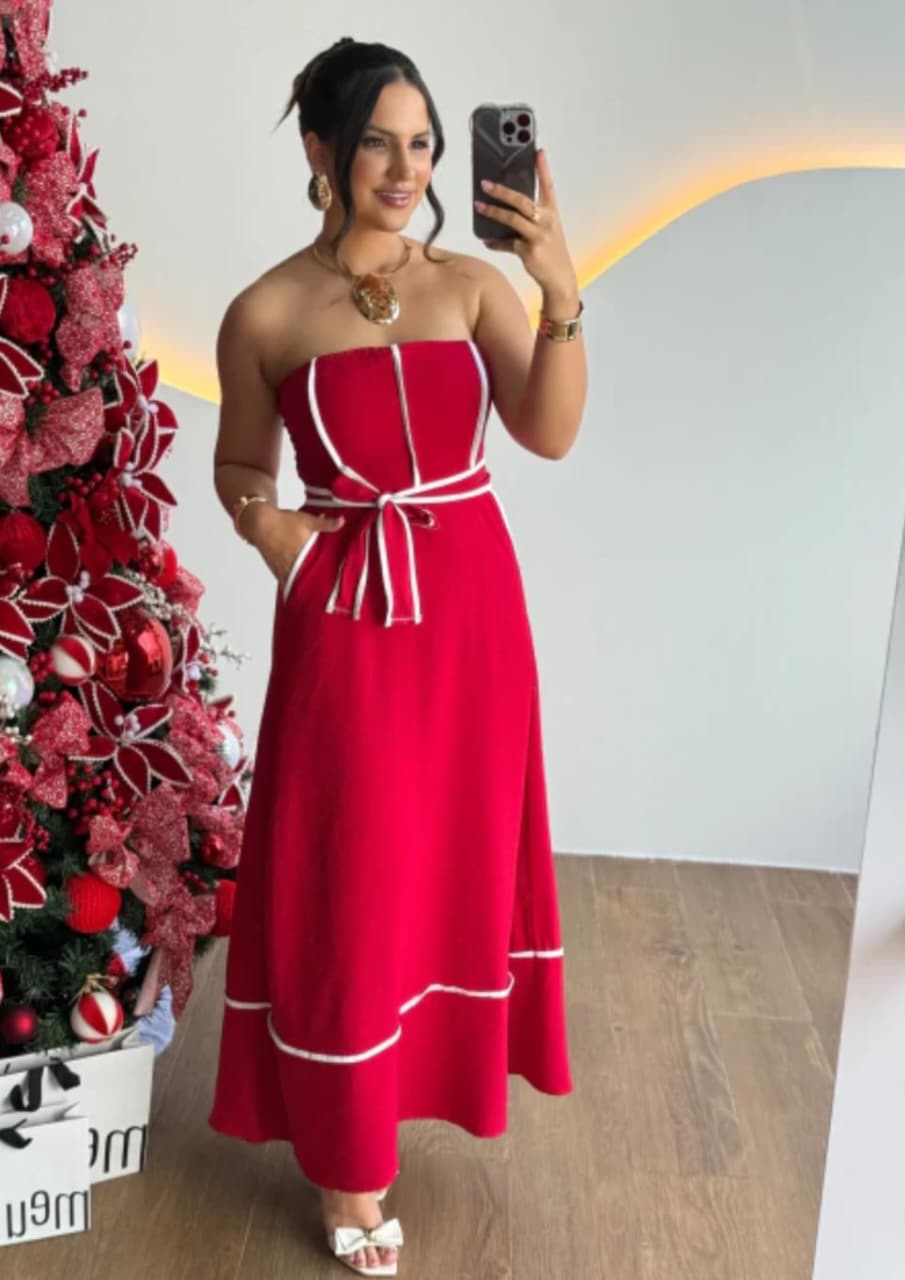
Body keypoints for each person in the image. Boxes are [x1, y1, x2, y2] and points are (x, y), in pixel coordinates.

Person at [207, 36, 587, 1278]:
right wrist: (279, 537)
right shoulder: (266, 310)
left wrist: (557, 288)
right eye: (377, 139)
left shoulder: (471, 287)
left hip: (472, 611)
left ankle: (416, 1092)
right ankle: (347, 1163)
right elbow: (239, 463)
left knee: (450, 861)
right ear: (321, 149)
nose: (406, 166)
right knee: (351, 871)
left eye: (421, 143)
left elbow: (547, 432)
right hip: (347, 612)